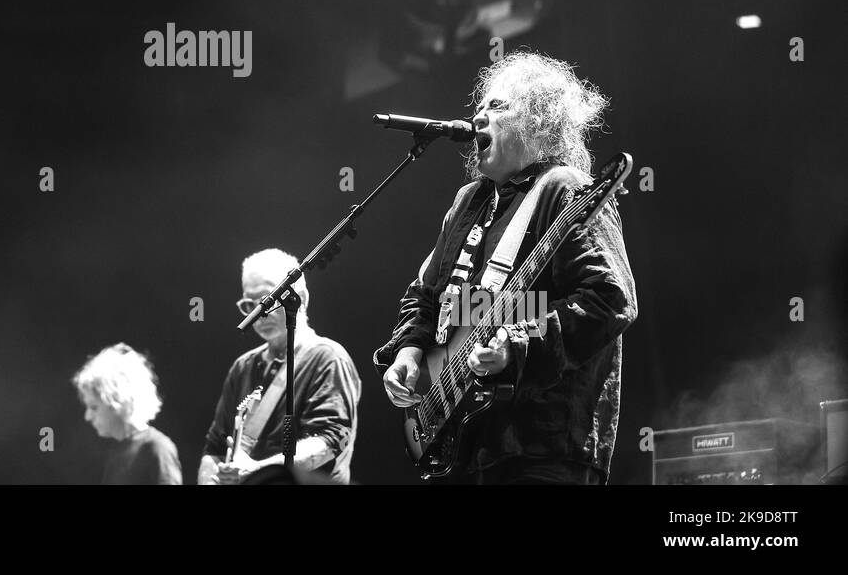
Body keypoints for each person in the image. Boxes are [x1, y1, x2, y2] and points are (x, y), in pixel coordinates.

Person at [375, 51, 638, 484]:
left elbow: (608, 300)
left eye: (497, 106)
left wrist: (516, 347)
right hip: (468, 448)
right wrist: (409, 352)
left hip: (543, 448)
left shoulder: (565, 189)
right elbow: (425, 295)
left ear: (539, 121)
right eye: (479, 106)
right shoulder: (469, 201)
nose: (478, 116)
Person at [199, 249, 361, 485]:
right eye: (250, 304)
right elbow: (214, 448)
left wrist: (258, 472)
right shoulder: (243, 367)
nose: (260, 313)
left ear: (301, 298)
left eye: (269, 300)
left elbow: (332, 439)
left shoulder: (328, 358)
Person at [72, 343, 182, 485]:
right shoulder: (117, 451)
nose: (87, 416)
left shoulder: (157, 448)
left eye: (94, 407)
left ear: (118, 401)